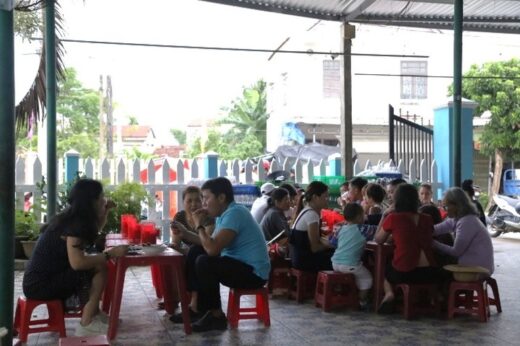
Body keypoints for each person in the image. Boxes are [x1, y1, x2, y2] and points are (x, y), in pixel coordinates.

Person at [22, 179, 128, 336]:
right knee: (100, 267)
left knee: (97, 264)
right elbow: (78, 263)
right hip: (39, 285)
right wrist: (110, 254)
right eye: (101, 197)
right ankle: (87, 322)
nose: (104, 200)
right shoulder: (74, 225)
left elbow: (92, 232)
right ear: (91, 201)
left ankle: (94, 314)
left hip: (44, 278)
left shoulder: (74, 218)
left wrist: (105, 212)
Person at [187, 177, 271, 332]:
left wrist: (199, 225)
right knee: (195, 251)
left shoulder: (235, 213)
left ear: (221, 198)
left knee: (204, 262)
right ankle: (196, 308)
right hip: (239, 265)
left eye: (206, 198)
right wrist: (192, 229)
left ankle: (216, 316)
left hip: (254, 274)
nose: (203, 203)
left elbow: (212, 249)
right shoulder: (224, 215)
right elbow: (209, 245)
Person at [375, 183, 442, 313]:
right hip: (430, 273)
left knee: (386, 271)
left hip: (404, 273)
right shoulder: (427, 218)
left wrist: (384, 216)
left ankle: (389, 294)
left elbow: (378, 240)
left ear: (397, 200)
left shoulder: (393, 218)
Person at [169, 186, 211, 322]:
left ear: (202, 201)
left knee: (195, 254)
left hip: (208, 252)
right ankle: (174, 298)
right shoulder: (180, 217)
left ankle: (193, 304)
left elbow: (207, 244)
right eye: (189, 201)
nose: (194, 204)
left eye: (197, 200)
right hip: (190, 252)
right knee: (171, 259)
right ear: (183, 203)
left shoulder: (208, 217)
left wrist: (184, 247)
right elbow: (176, 242)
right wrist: (174, 247)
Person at [433, 187, 494, 276]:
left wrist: (433, 243)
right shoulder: (458, 218)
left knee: (438, 269)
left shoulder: (467, 221)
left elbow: (456, 252)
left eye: (446, 206)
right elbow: (438, 229)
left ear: (457, 205)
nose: (444, 210)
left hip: (478, 268)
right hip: (475, 265)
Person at [331, 203, 373, 309]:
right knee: (367, 278)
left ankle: (344, 296)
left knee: (357, 274)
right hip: (350, 265)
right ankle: (360, 301)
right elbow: (379, 231)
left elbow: (333, 242)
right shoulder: (363, 229)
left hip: (335, 263)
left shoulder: (340, 229)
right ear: (359, 217)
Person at [289, 181, 334, 272]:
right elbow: (315, 248)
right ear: (315, 197)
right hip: (304, 261)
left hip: (299, 259)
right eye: (325, 196)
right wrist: (333, 245)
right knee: (342, 258)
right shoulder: (311, 215)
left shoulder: (307, 211)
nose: (328, 199)